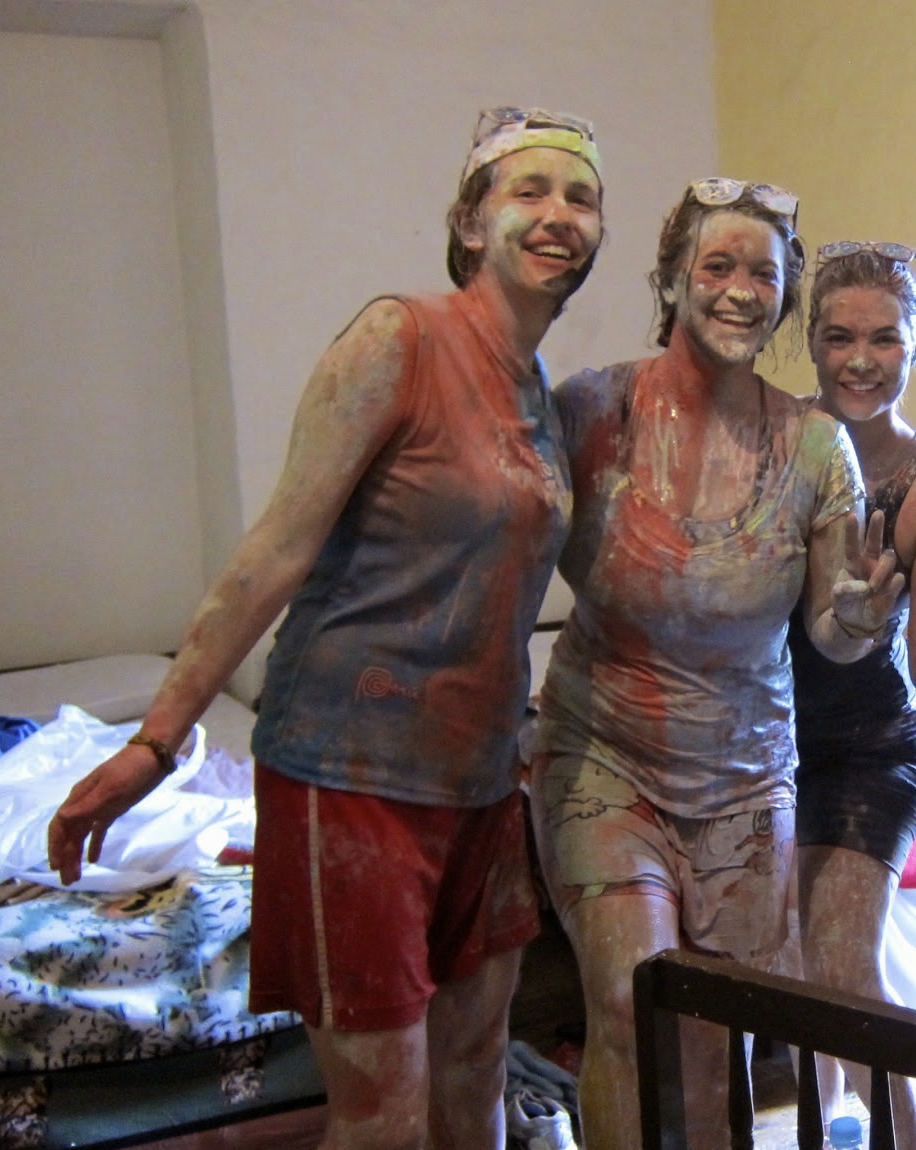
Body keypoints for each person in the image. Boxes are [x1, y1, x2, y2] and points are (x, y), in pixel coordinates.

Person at [45, 107, 605, 1150]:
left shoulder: (540, 396)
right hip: (350, 773)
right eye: (529, 191)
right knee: (384, 1110)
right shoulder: (399, 338)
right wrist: (155, 743)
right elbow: (274, 552)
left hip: (482, 781)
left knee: (478, 1073)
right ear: (469, 223)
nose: (558, 215)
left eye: (581, 198)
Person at [525, 179, 899, 1150]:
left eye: (763, 275)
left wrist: (861, 617)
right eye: (718, 265)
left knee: (706, 1043)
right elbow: (505, 544)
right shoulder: (592, 411)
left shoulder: (815, 446)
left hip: (744, 779)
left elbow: (831, 631)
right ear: (672, 278)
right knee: (629, 1002)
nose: (740, 290)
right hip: (604, 761)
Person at [786, 240, 916, 1150]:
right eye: (839, 337)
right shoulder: (779, 440)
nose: (861, 361)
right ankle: (831, 1123)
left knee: (845, 978)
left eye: (884, 339)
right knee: (785, 988)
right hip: (760, 743)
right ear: (810, 340)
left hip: (868, 752)